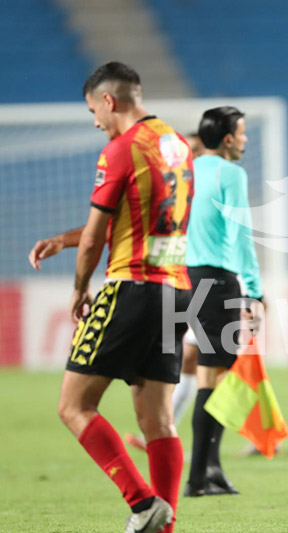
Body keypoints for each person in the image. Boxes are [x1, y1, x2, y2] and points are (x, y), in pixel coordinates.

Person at [28, 62, 193, 533]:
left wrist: (80, 289)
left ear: (108, 101)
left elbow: (99, 232)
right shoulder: (177, 146)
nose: (94, 122)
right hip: (174, 290)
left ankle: (143, 504)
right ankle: (165, 525)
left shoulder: (120, 150)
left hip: (131, 289)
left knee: (73, 406)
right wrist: (66, 239)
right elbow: (138, 218)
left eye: (92, 111)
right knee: (158, 420)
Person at [183, 106, 265, 497]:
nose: (246, 139)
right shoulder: (231, 173)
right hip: (216, 281)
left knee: (210, 376)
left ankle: (210, 468)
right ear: (229, 138)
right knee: (216, 380)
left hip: (184, 278)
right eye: (243, 133)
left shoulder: (188, 169)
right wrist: (253, 289)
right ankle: (199, 475)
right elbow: (240, 234)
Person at [124, 131, 206, 453]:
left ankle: (163, 434)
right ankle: (162, 433)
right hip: (179, 282)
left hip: (206, 283)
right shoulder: (172, 193)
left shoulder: (209, 190)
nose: (192, 157)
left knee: (202, 363)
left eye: (197, 150)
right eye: (190, 151)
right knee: (190, 361)